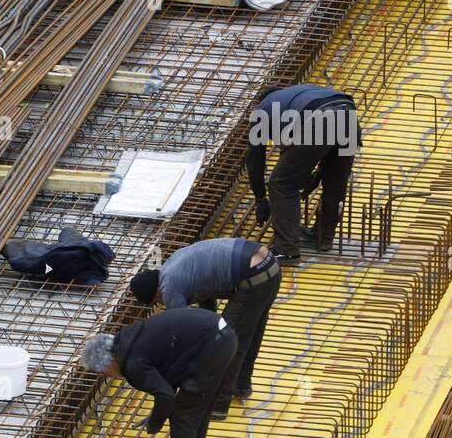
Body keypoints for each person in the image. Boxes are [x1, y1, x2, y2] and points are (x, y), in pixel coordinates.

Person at [80, 309, 237, 438]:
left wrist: (155, 423)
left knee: (184, 413)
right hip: (222, 337)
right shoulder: (127, 341)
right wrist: (157, 413)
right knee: (197, 409)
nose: (109, 376)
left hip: (213, 347)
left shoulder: (132, 363)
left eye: (104, 373)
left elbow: (166, 395)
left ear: (108, 363)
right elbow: (165, 378)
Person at [127, 237, 279, 417]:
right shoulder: (173, 265)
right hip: (270, 265)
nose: (162, 303)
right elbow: (207, 292)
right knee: (250, 330)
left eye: (157, 301)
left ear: (156, 292)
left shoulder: (169, 288)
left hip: (253, 275)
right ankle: (241, 384)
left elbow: (184, 330)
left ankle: (218, 405)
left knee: (229, 340)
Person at [247, 83, 360, 263]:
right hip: (348, 117)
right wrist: (317, 174)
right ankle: (323, 237)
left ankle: (286, 250)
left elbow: (255, 159)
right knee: (335, 181)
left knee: (281, 184)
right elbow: (311, 151)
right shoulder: (300, 94)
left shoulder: (263, 108)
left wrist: (260, 199)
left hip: (321, 118)